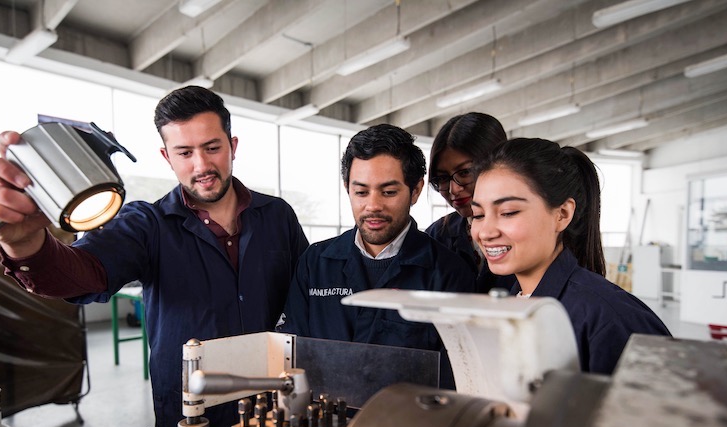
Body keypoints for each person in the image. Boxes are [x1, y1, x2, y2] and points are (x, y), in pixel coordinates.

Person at [0, 86, 309, 427]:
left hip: (275, 400)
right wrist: (27, 244)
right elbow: (85, 274)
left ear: (232, 146)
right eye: (185, 152)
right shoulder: (148, 225)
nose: (202, 165)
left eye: (213, 148)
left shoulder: (277, 217)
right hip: (192, 415)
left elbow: (309, 296)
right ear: (167, 157)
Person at [278, 124, 476, 389]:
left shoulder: (447, 274)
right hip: (324, 424)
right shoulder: (315, 263)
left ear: (415, 190)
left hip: (406, 426)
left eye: (389, 192)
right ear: (347, 187)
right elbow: (294, 356)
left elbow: (456, 379)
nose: (372, 206)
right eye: (361, 192)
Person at [469, 137, 671, 375]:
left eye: (508, 212)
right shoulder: (514, 303)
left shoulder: (611, 318)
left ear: (562, 214)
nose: (486, 232)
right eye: (478, 215)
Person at [426, 112, 514, 292]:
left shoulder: (527, 233)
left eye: (465, 172)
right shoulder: (437, 237)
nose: (453, 189)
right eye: (442, 178)